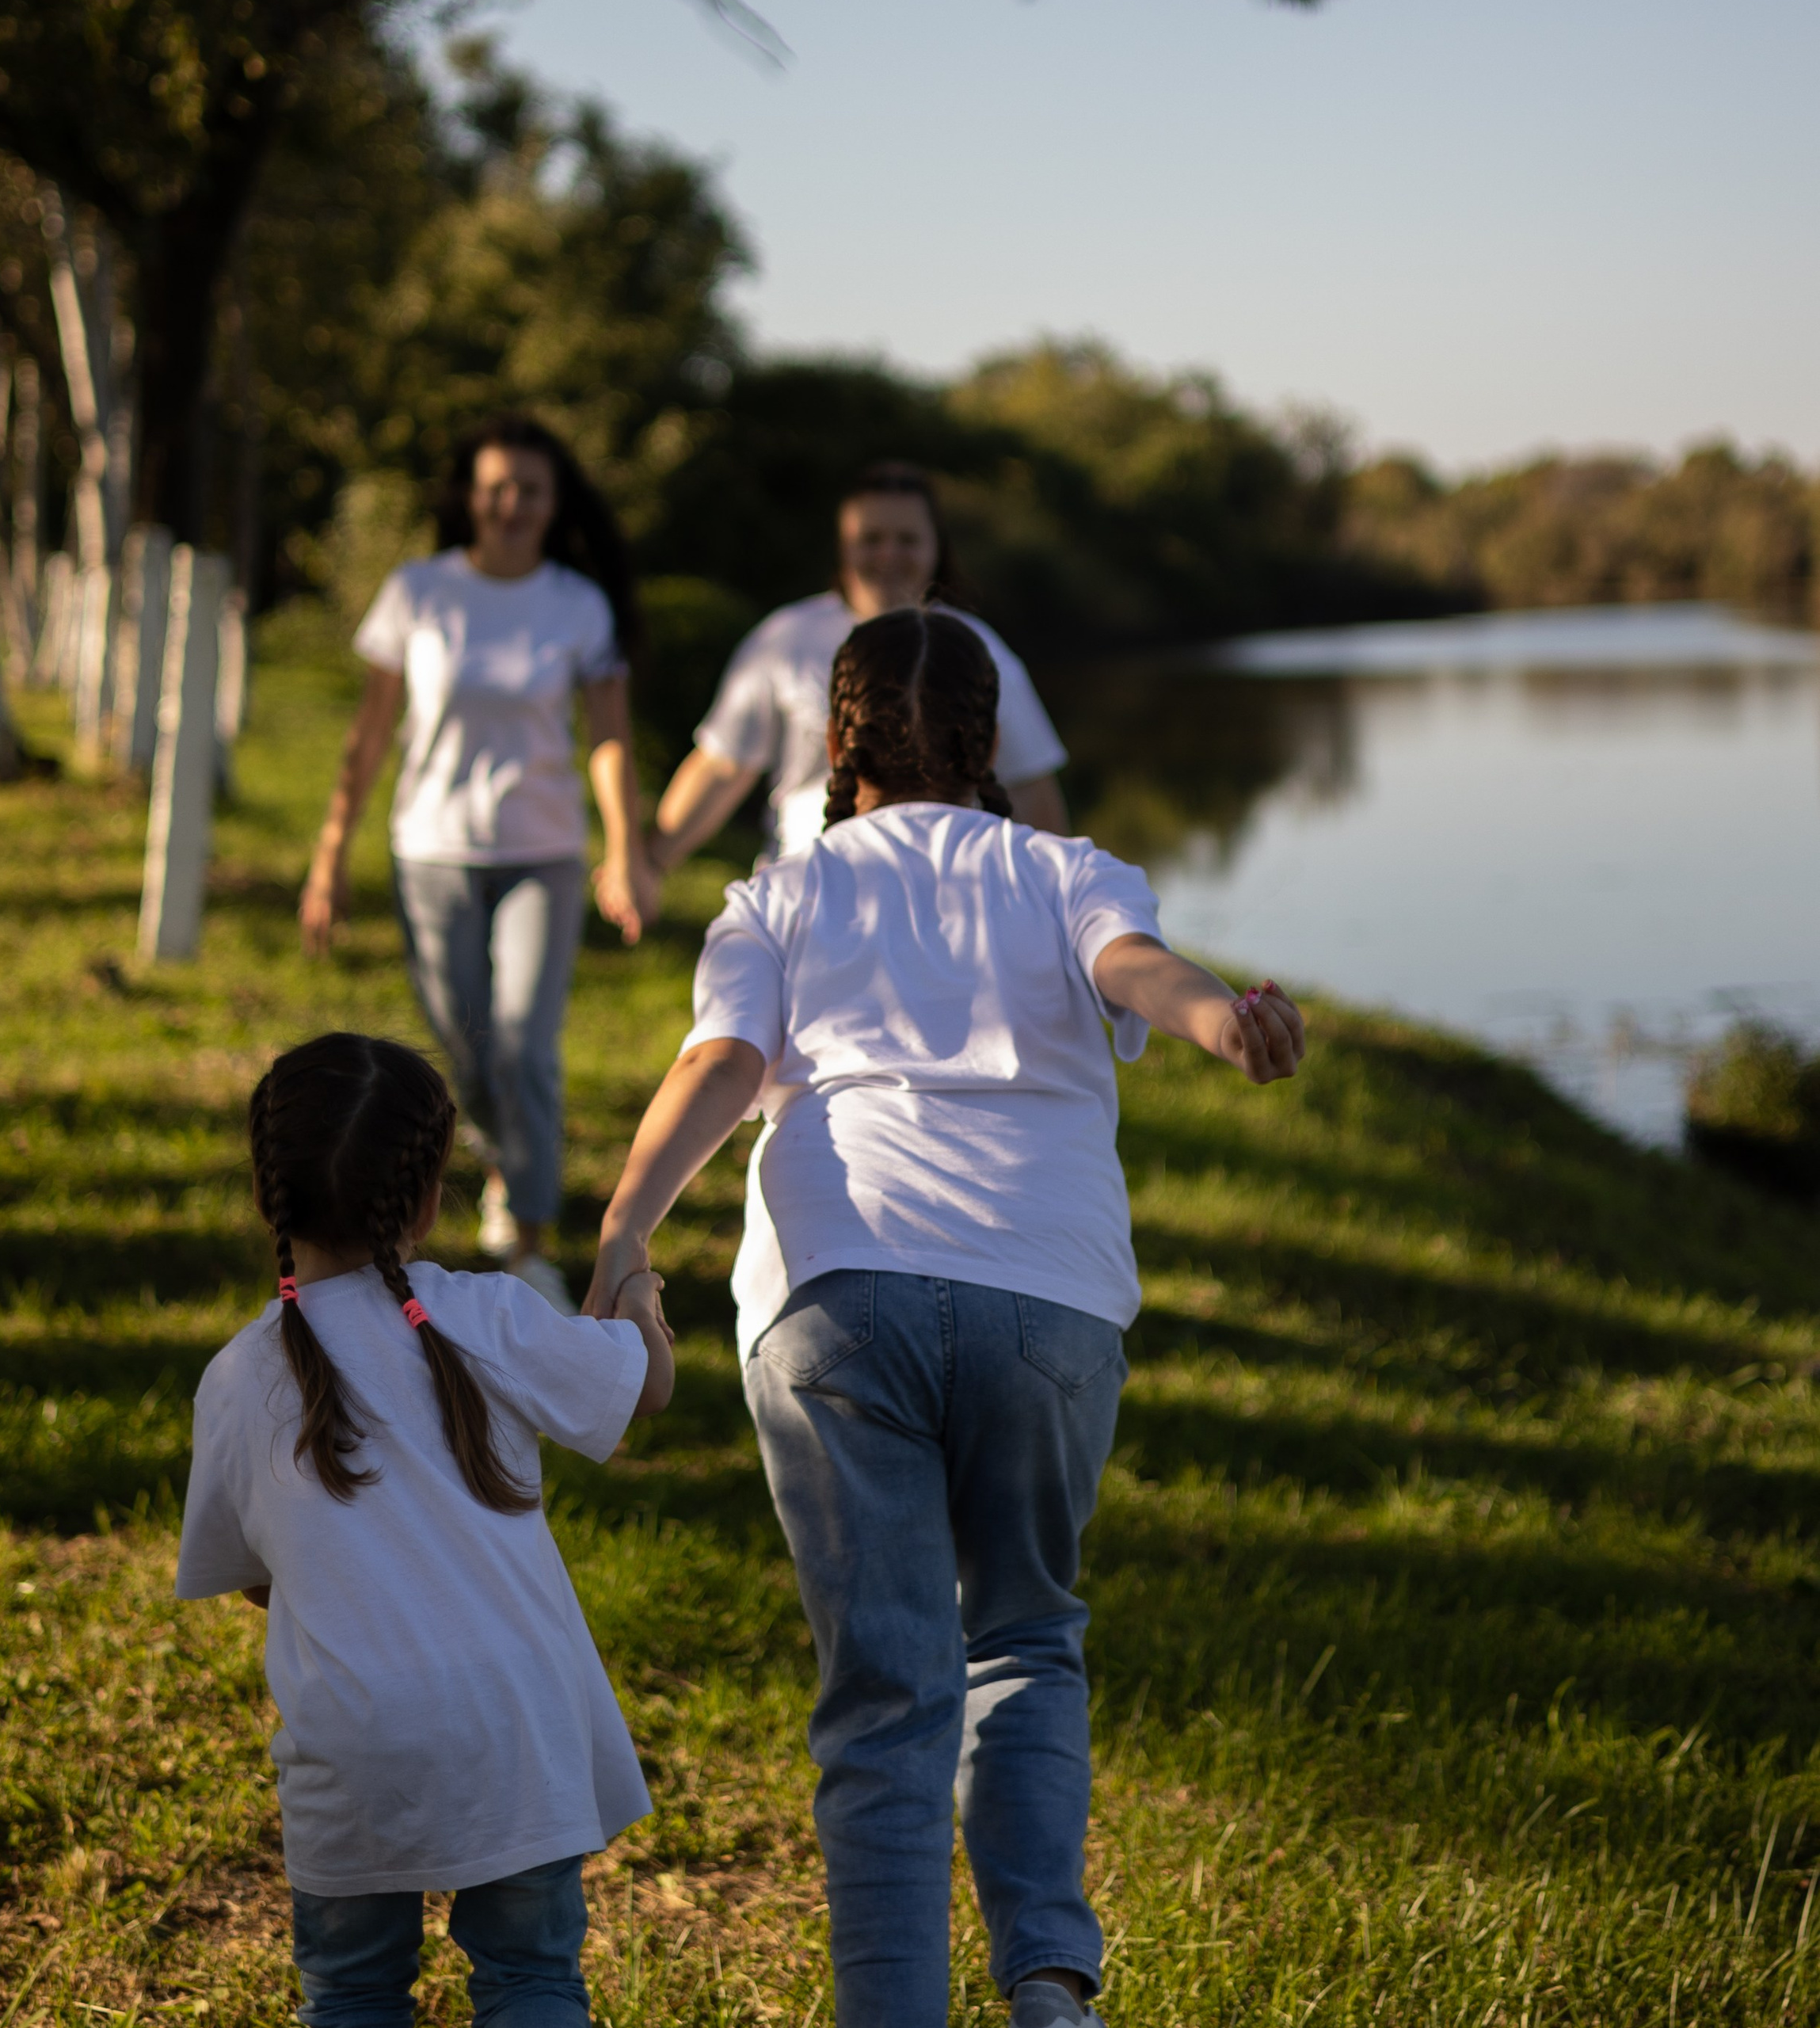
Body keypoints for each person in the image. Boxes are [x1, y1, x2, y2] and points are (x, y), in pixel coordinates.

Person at [583, 610, 1307, 2028]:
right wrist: (1223, 1022)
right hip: (1047, 1301)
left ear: (837, 742)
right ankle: (1048, 1983)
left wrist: (624, 1232)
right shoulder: (1067, 870)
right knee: (1024, 1641)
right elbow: (1134, 971)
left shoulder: (779, 894)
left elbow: (726, 1063)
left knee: (886, 1692)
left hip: (837, 1299)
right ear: (987, 744)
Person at [176, 1031, 675, 2028]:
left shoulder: (237, 1376)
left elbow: (255, 1577)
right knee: (531, 1982)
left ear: (269, 1190)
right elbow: (647, 1386)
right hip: (515, 1734)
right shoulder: (486, 1313)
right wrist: (640, 1297)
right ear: (428, 1194)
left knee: (355, 1993)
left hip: (352, 1750)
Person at [299, 416, 656, 1313]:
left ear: (552, 502)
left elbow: (608, 741)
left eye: (529, 490)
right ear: (467, 494)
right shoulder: (418, 592)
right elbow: (370, 733)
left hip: (544, 851)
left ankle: (530, 1239)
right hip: (431, 848)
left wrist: (626, 851)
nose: (510, 505)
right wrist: (330, 851)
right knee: (465, 1052)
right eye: (495, 487)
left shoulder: (578, 603)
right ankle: (508, 1158)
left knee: (527, 1047)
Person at [647, 462, 1070, 870]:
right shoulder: (786, 640)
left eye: (907, 539)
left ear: (936, 546)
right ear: (843, 544)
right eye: (871, 538)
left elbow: (1030, 785)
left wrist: (1061, 898)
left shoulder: (976, 649)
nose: (888, 554)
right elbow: (723, 765)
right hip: (804, 885)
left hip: (948, 895)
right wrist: (649, 863)